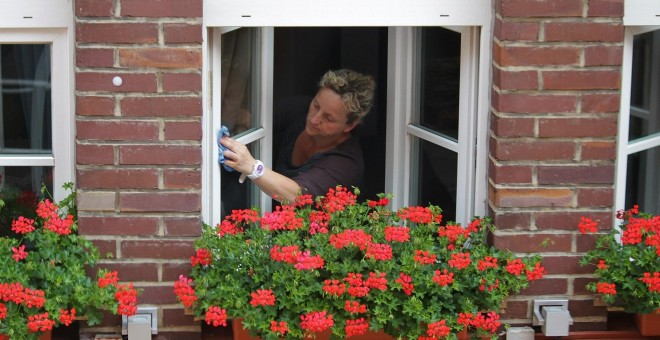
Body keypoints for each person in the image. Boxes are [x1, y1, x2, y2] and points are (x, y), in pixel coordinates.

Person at [219, 69, 375, 204]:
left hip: (309, 236)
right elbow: (249, 118)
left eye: (329, 118)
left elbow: (297, 196)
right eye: (316, 105)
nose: (314, 119)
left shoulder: (346, 163)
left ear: (350, 125)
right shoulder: (300, 109)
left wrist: (252, 167)